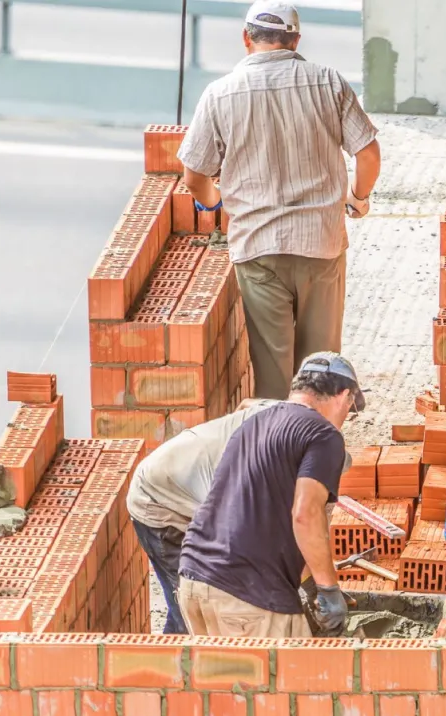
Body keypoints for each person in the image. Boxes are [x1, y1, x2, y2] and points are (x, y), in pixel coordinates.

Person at [177, 1, 382, 400]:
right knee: (320, 371)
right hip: (320, 245)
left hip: (258, 249)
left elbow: (194, 176)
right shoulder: (328, 82)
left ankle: (277, 453)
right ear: (295, 40)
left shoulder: (219, 94)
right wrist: (358, 198)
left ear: (245, 38)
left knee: (273, 377)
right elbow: (369, 154)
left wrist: (215, 201)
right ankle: (318, 451)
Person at [178, 352, 365, 636]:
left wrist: (311, 584)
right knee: (290, 678)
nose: (343, 420)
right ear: (344, 396)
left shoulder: (254, 423)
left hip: (195, 581)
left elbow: (262, 518)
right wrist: (329, 589)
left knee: (218, 681)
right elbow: (306, 515)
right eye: (349, 408)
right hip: (247, 596)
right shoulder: (324, 435)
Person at [127, 398, 279, 633]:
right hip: (158, 503)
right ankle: (171, 665)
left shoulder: (283, 411)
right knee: (190, 605)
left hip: (183, 482)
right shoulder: (254, 475)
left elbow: (246, 403)